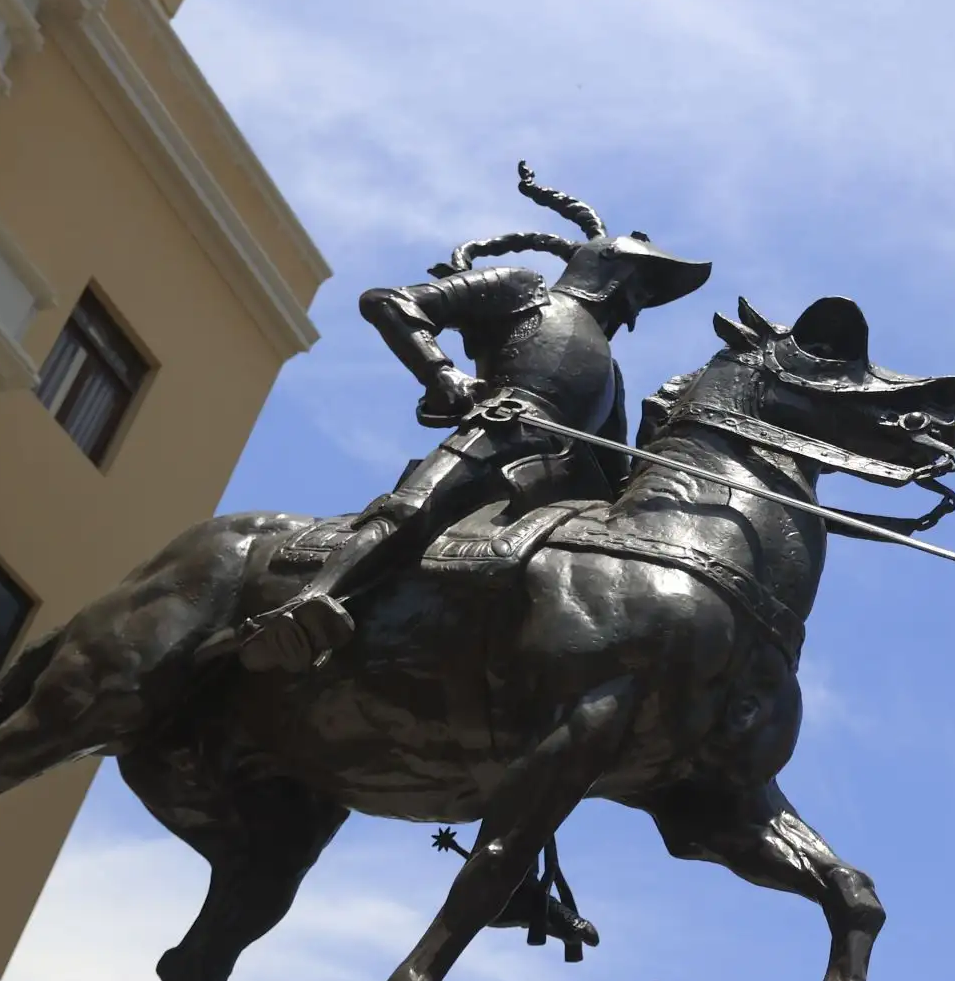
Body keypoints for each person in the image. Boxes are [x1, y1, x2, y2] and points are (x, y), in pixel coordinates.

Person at [237, 163, 712, 674]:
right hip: (499, 430)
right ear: (608, 270)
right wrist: (444, 375)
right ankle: (312, 603)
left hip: (557, 482)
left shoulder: (612, 376)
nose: (639, 301)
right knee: (412, 508)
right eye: (641, 285)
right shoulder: (526, 290)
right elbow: (391, 303)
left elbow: (612, 473)